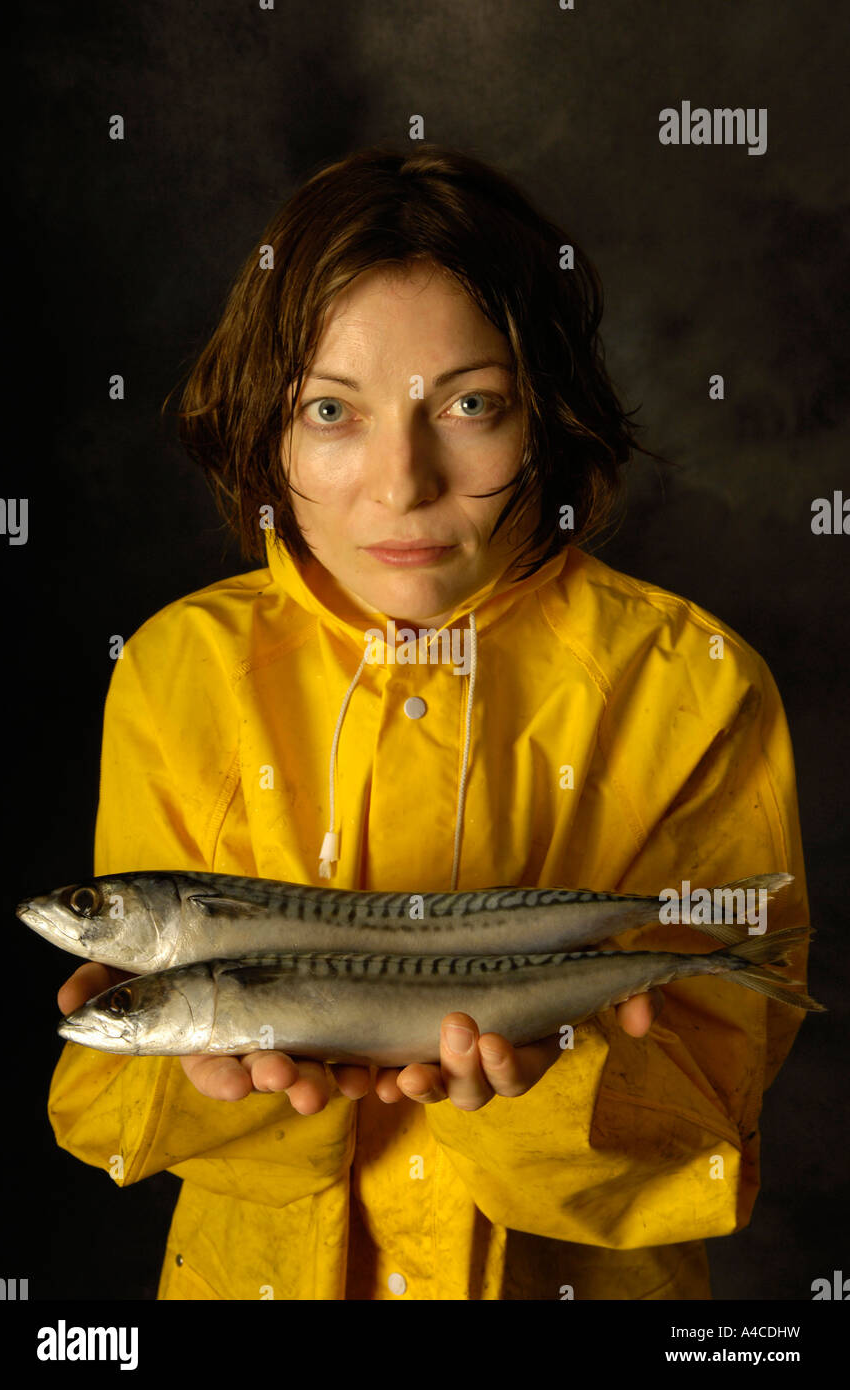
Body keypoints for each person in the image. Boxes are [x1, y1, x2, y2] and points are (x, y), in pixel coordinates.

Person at [48, 144, 811, 1301]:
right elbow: (117, 1115)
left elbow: (713, 1113)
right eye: (329, 410)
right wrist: (217, 1087)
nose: (400, 483)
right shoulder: (176, 669)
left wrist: (544, 1085)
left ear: (544, 418)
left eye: (469, 404)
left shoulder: (691, 683)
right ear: (269, 428)